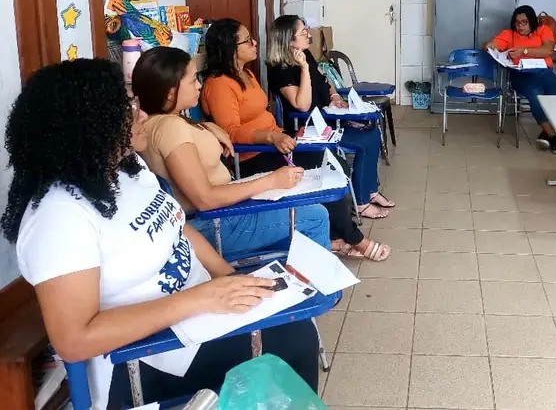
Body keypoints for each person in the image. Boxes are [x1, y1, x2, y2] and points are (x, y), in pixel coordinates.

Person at [1, 59, 318, 408]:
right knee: (293, 340)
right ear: (89, 122)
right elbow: (74, 340)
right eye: (129, 107)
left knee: (297, 319)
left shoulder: (128, 169)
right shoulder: (59, 217)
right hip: (145, 357)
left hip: (197, 317)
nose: (142, 115)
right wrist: (200, 299)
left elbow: (179, 228)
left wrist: (228, 277)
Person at [201, 19, 390, 260]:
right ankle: (355, 239)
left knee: (333, 163)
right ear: (230, 48)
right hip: (254, 155)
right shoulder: (219, 85)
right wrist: (271, 136)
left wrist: (281, 134)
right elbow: (230, 132)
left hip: (277, 143)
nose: (255, 42)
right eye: (247, 40)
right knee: (322, 168)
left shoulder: (246, 74)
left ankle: (336, 235)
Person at [132, 46, 331, 255]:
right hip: (212, 223)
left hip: (221, 212)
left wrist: (209, 127)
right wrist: (271, 181)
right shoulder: (170, 128)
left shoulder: (160, 122)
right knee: (315, 215)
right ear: (170, 91)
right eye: (192, 80)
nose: (199, 85)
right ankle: (312, 274)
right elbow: (205, 200)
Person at [267, 15, 393, 259]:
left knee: (370, 133)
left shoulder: (307, 55)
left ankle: (368, 192)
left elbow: (325, 82)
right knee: (354, 149)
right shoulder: (280, 70)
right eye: (303, 33)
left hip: (328, 118)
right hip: (308, 129)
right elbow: (302, 105)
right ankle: (360, 205)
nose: (309, 35)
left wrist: (334, 96)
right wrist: (304, 69)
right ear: (289, 41)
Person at [488, 5, 556, 153]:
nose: (520, 26)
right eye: (517, 22)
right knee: (536, 96)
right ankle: (552, 136)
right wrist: (490, 46)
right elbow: (492, 45)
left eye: (524, 22)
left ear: (532, 21)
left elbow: (548, 50)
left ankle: (545, 132)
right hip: (521, 74)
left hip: (543, 71)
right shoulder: (509, 34)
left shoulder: (543, 30)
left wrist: (524, 51)